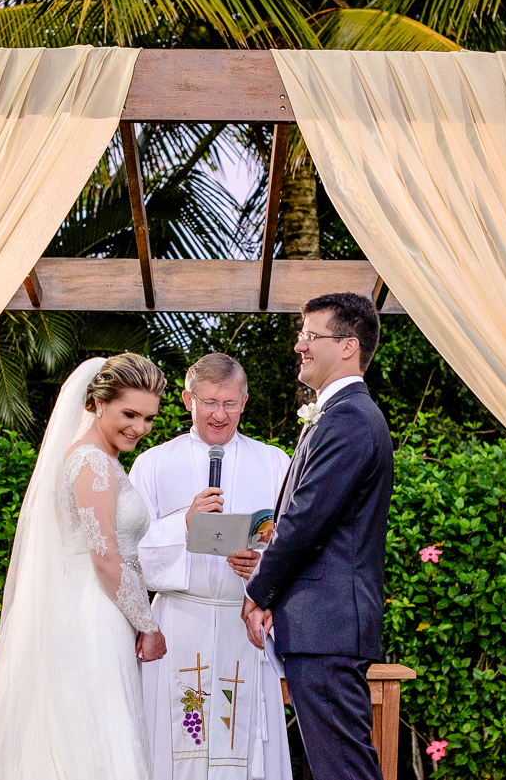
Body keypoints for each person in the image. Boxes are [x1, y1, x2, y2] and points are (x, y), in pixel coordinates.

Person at [0, 353, 168, 780]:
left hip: (94, 608)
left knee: (87, 730)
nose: (139, 428)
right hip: (97, 613)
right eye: (129, 413)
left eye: (149, 418)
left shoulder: (98, 458)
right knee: (99, 735)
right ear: (98, 403)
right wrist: (149, 624)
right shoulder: (92, 463)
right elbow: (105, 558)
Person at [243, 293, 394, 780]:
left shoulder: (349, 419)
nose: (299, 346)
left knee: (344, 771)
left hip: (326, 624)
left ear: (348, 346)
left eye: (310, 335)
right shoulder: (341, 416)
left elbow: (306, 521)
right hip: (323, 626)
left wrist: (258, 591)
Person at [132, 353, 293, 780]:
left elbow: (295, 541)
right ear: (188, 400)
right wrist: (182, 523)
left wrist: (262, 567)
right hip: (181, 621)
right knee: (181, 735)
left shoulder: (275, 462)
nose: (220, 415)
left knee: (237, 733)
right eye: (209, 402)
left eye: (230, 403)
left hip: (244, 624)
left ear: (244, 402)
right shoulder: (153, 465)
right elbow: (127, 550)